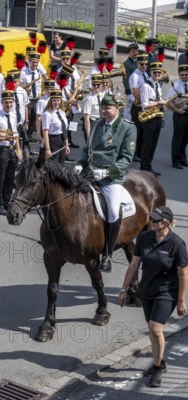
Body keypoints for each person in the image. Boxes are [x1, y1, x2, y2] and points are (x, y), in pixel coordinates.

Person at [118, 206, 187, 388]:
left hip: (167, 292)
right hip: (146, 290)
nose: (152, 222)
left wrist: (181, 300)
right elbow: (133, 265)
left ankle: (157, 369)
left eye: (155, 220)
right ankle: (160, 360)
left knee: (156, 329)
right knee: (152, 329)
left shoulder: (177, 244)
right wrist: (124, 289)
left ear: (165, 223)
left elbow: (183, 274)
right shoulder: (143, 238)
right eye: (152, 219)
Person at [75, 94, 136, 272]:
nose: (103, 110)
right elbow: (87, 149)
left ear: (117, 108)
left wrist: (108, 172)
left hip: (111, 177)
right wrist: (80, 164)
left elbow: (126, 158)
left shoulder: (127, 128)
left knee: (113, 211)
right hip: (90, 172)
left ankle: (107, 254)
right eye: (102, 107)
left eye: (107, 108)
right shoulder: (97, 124)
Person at [139, 61, 166, 176]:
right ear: (150, 72)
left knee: (153, 145)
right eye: (155, 72)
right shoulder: (145, 86)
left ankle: (149, 166)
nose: (157, 74)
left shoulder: (158, 85)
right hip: (149, 119)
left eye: (159, 72)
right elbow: (144, 104)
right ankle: (144, 168)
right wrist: (159, 102)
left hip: (157, 117)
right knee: (147, 144)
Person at [164, 64, 188, 169]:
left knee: (185, 138)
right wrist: (177, 110)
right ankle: (176, 161)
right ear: (178, 75)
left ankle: (183, 159)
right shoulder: (176, 85)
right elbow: (167, 101)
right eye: (182, 75)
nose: (184, 76)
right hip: (179, 114)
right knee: (178, 138)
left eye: (186, 74)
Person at [129, 51, 149, 162]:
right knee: (136, 132)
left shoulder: (145, 74)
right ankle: (133, 153)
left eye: (146, 64)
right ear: (137, 64)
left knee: (143, 132)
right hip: (137, 106)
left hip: (144, 106)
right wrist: (147, 101)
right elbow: (136, 92)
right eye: (142, 64)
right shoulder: (135, 76)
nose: (144, 66)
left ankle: (140, 153)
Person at [41, 89, 69, 163]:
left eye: (58, 100)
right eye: (54, 100)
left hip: (62, 139)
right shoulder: (47, 114)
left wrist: (66, 144)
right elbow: (45, 132)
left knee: (61, 165)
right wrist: (47, 149)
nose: (57, 102)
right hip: (53, 140)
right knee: (53, 166)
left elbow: (64, 129)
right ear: (51, 101)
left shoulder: (62, 112)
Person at [82, 74, 104, 140]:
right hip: (92, 123)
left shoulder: (104, 96)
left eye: (98, 85)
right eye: (94, 85)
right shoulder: (89, 98)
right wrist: (88, 135)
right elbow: (86, 118)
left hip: (102, 122)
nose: (96, 87)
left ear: (101, 85)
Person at [122, 43, 140, 121]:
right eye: (133, 52)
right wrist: (129, 92)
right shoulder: (126, 64)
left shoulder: (139, 62)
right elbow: (126, 79)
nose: (135, 53)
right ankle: (127, 122)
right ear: (129, 53)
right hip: (131, 91)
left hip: (138, 90)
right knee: (128, 108)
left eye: (136, 51)